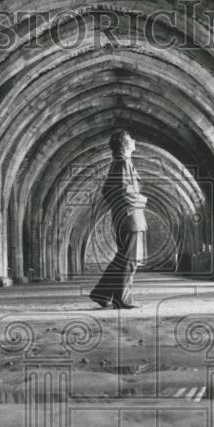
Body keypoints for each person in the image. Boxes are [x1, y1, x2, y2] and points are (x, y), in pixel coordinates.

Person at [89, 130, 147, 309]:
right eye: (131, 139)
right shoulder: (122, 163)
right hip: (130, 216)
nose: (134, 140)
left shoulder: (122, 163)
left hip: (130, 216)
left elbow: (110, 190)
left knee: (125, 257)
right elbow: (119, 191)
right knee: (129, 259)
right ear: (124, 144)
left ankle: (103, 293)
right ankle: (121, 299)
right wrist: (142, 199)